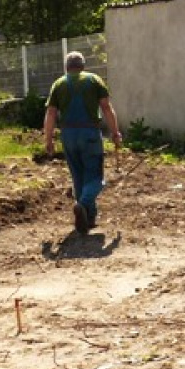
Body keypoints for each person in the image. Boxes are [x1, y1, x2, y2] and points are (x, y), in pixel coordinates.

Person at [43, 51, 123, 233]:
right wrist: (115, 132)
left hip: (68, 135)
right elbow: (106, 108)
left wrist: (48, 138)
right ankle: (83, 204)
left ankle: (88, 218)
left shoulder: (59, 84)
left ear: (66, 67)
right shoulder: (94, 80)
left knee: (78, 177)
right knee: (96, 178)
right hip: (89, 133)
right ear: (83, 66)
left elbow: (51, 113)